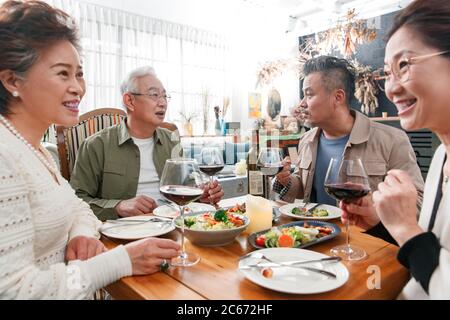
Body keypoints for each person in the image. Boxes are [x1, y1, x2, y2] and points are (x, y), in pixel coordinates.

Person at [0, 0, 179, 299]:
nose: (78, 88)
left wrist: (81, 232)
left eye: (79, 74)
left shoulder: (37, 153)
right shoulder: (5, 157)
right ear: (12, 80)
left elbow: (78, 207)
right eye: (62, 73)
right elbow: (15, 292)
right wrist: (122, 260)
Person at [341, 0, 450, 299]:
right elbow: (433, 252)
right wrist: (382, 223)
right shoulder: (442, 156)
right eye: (388, 73)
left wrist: (404, 227)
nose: (390, 89)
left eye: (404, 65)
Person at [70, 66, 224, 221]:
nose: (163, 102)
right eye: (154, 95)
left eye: (164, 96)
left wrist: (202, 195)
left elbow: (187, 190)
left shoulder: (172, 140)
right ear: (129, 100)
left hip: (173, 224)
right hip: (123, 231)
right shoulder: (96, 145)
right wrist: (118, 206)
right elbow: (75, 202)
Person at [273, 55, 424, 209]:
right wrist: (286, 180)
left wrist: (372, 210)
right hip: (317, 231)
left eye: (309, 95)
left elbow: (419, 202)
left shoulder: (392, 140)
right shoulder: (307, 139)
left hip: (366, 233)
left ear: (338, 97)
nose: (302, 104)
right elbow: (304, 188)